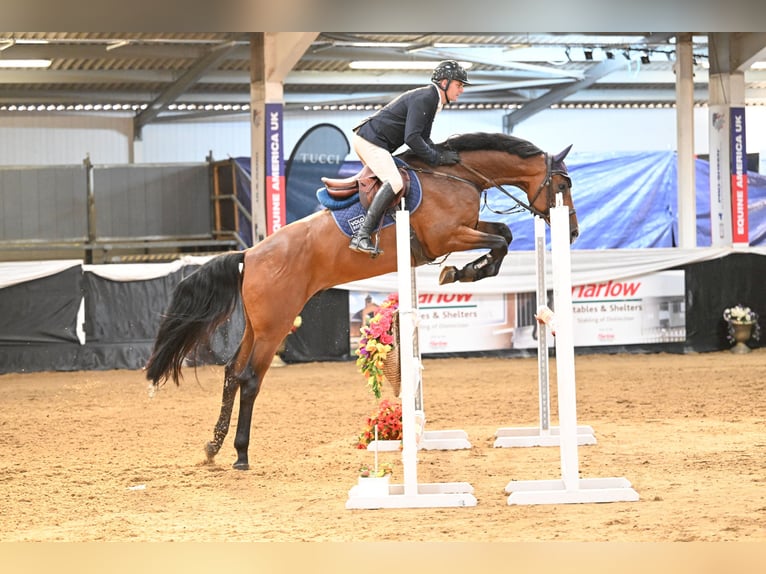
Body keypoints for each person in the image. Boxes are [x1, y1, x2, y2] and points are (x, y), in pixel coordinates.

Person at [348, 59, 471, 256]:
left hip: (376, 141)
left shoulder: (432, 101)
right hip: (370, 141)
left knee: (402, 178)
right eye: (459, 84)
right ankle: (361, 235)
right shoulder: (426, 98)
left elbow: (424, 138)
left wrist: (440, 154)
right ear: (444, 83)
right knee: (395, 181)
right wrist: (437, 159)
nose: (462, 90)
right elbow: (412, 138)